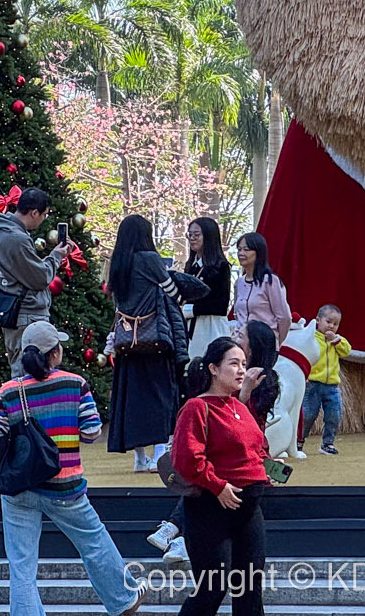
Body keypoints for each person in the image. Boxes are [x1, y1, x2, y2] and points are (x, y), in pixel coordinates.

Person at [0, 320, 143, 616]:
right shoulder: (75, 384)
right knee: (93, 541)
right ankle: (123, 599)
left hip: (19, 488)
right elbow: (91, 432)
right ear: (55, 353)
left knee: (22, 567)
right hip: (64, 485)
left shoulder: (7, 391)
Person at [172, 336, 270, 616]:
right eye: (234, 364)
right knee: (211, 589)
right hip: (210, 510)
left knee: (250, 590)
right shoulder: (196, 408)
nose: (242, 370)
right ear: (213, 368)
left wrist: (268, 469)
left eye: (244, 364)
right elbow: (186, 459)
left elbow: (257, 448)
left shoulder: (239, 407)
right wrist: (217, 486)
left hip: (249, 510)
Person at [106, 214, 195, 471]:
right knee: (160, 395)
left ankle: (139, 458)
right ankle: (159, 453)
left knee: (132, 399)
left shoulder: (118, 262)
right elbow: (173, 293)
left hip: (126, 342)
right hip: (154, 338)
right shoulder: (149, 259)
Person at [0, 188, 72, 378]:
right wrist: (56, 256)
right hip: (27, 316)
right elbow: (39, 278)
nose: (44, 219)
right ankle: (26, 409)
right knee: (30, 376)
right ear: (34, 212)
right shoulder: (16, 239)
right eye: (44, 214)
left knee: (21, 372)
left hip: (13, 313)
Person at [298, 304, 350, 456]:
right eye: (328, 321)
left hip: (332, 386)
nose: (331, 326)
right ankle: (299, 441)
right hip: (312, 384)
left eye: (335, 324)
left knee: (334, 414)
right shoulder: (311, 338)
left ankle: (328, 444)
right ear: (317, 320)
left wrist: (335, 340)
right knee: (307, 414)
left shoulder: (337, 341)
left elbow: (346, 351)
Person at [230, 233, 291, 345]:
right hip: (241, 344)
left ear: (258, 252)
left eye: (246, 249)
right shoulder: (239, 283)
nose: (241, 253)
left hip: (264, 344)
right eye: (239, 249)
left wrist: (276, 343)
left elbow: (284, 317)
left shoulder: (270, 281)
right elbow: (238, 315)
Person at [185, 219, 235, 350]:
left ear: (208, 236)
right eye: (190, 235)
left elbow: (220, 305)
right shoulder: (191, 266)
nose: (192, 239)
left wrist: (189, 310)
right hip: (191, 328)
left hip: (211, 327)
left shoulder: (220, 267)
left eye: (196, 235)